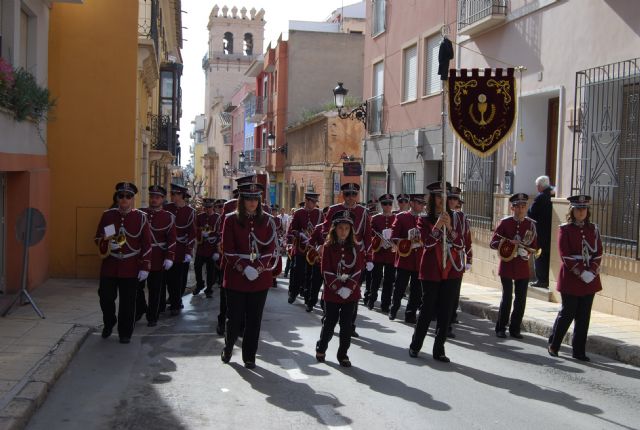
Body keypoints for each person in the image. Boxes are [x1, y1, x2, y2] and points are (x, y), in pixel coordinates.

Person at [220, 182, 278, 369]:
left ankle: (249, 356)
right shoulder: (230, 219)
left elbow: (270, 247)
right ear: (241, 200)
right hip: (237, 276)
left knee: (254, 319)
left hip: (259, 278)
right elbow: (228, 249)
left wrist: (259, 267)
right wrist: (243, 268)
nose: (252, 203)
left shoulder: (268, 220)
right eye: (248, 199)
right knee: (234, 317)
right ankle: (228, 347)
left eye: (256, 199)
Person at [409, 182, 465, 362]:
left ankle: (439, 349)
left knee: (446, 311)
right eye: (439, 196)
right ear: (433, 199)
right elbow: (426, 244)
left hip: (452, 270)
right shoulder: (423, 219)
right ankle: (416, 345)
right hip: (432, 269)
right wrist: (437, 226)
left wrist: (449, 227)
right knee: (427, 308)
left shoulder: (458, 218)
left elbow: (461, 244)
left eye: (445, 196)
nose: (442, 200)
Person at [95, 182, 151, 343]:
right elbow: (98, 237)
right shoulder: (109, 216)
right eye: (121, 196)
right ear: (117, 198)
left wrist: (145, 266)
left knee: (127, 303)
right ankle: (109, 322)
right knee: (105, 297)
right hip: (110, 266)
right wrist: (107, 244)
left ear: (133, 199)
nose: (124, 199)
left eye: (128, 196)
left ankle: (125, 332)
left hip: (131, 266)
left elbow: (147, 244)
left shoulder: (140, 217)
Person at [548, 195, 602, 362]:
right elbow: (565, 254)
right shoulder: (565, 229)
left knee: (584, 315)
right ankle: (554, 344)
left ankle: (578, 350)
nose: (581, 212)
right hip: (572, 277)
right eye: (578, 209)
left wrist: (591, 271)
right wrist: (580, 272)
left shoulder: (593, 229)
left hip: (590, 278)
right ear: (572, 210)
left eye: (584, 209)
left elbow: (598, 252)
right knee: (568, 312)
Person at [315, 210, 365, 367]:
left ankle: (343, 354)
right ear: (334, 229)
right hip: (332, 292)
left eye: (346, 228)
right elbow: (326, 270)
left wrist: (349, 288)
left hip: (350, 293)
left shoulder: (356, 247)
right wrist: (337, 288)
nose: (343, 231)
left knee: (346, 326)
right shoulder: (329, 246)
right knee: (329, 323)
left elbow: (358, 269)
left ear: (350, 230)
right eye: (340, 228)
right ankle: (321, 346)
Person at [323, 183, 373, 337]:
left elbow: (367, 236)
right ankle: (328, 316)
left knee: (354, 288)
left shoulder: (363, 212)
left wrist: (369, 257)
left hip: (356, 257)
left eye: (354, 194)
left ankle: (350, 324)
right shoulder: (333, 210)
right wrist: (325, 246)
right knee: (331, 283)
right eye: (347, 194)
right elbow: (325, 230)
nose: (351, 198)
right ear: (343, 195)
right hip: (335, 253)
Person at [490, 193, 538, 339]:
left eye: (523, 206)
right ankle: (501, 327)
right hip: (507, 265)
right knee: (507, 298)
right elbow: (493, 243)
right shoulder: (505, 223)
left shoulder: (531, 224)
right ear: (512, 208)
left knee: (521, 299)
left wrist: (526, 251)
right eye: (518, 207)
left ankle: (515, 328)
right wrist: (508, 244)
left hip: (522, 266)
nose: (521, 210)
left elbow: (534, 246)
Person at [137, 185, 176, 327]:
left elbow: (172, 239)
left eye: (157, 197)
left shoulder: (168, 217)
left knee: (155, 289)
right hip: (140, 257)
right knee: (137, 288)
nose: (154, 200)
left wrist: (169, 257)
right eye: (152, 197)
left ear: (162, 199)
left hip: (158, 257)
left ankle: (152, 316)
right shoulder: (140, 213)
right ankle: (140, 308)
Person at [388, 193, 426, 323]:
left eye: (423, 204)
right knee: (400, 287)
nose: (422, 206)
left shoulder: (425, 219)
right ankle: (394, 309)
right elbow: (393, 237)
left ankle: (410, 314)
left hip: (419, 260)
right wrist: (407, 241)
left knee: (416, 291)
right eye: (419, 203)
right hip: (405, 259)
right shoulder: (401, 217)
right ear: (412, 203)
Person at [164, 184, 196, 315]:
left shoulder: (190, 212)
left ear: (182, 195)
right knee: (170, 277)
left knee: (180, 278)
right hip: (168, 248)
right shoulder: (167, 208)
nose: (173, 196)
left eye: (176, 194)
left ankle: (176, 301)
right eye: (172, 194)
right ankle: (174, 299)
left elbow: (192, 233)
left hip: (182, 249)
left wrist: (189, 251)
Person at [287, 192, 323, 304]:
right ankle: (293, 293)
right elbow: (292, 230)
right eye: (312, 201)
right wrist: (302, 235)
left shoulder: (320, 213)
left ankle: (308, 299)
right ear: (306, 201)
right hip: (300, 248)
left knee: (310, 275)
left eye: (315, 202)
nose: (314, 204)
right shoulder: (298, 213)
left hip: (313, 249)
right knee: (298, 271)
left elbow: (323, 230)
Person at [368, 193, 397, 312]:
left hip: (391, 253)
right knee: (376, 278)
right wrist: (378, 241)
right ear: (381, 205)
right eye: (385, 204)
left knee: (389, 280)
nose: (388, 206)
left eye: (390, 204)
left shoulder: (396, 218)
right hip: (378, 253)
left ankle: (385, 304)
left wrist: (394, 242)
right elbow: (370, 235)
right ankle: (371, 299)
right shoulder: (376, 218)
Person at [528, 175, 553, 289]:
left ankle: (541, 280)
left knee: (539, 255)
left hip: (540, 232)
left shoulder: (540, 197)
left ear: (540, 186)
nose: (536, 188)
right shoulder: (552, 195)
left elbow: (531, 212)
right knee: (547, 256)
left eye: (537, 186)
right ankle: (546, 279)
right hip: (550, 232)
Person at [305, 206, 329, 312]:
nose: (327, 216)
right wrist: (316, 249)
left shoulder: (337, 228)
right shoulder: (319, 227)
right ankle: (311, 303)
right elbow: (310, 242)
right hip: (319, 261)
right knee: (315, 284)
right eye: (325, 214)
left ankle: (325, 305)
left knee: (328, 285)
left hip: (331, 262)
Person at [194, 198, 220, 298]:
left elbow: (219, 234)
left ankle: (209, 288)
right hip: (202, 246)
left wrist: (217, 251)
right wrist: (200, 234)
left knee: (210, 269)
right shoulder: (200, 217)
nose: (207, 209)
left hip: (212, 247)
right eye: (206, 207)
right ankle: (200, 284)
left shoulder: (218, 218)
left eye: (209, 207)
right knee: (197, 266)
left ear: (213, 207)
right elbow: (196, 229)